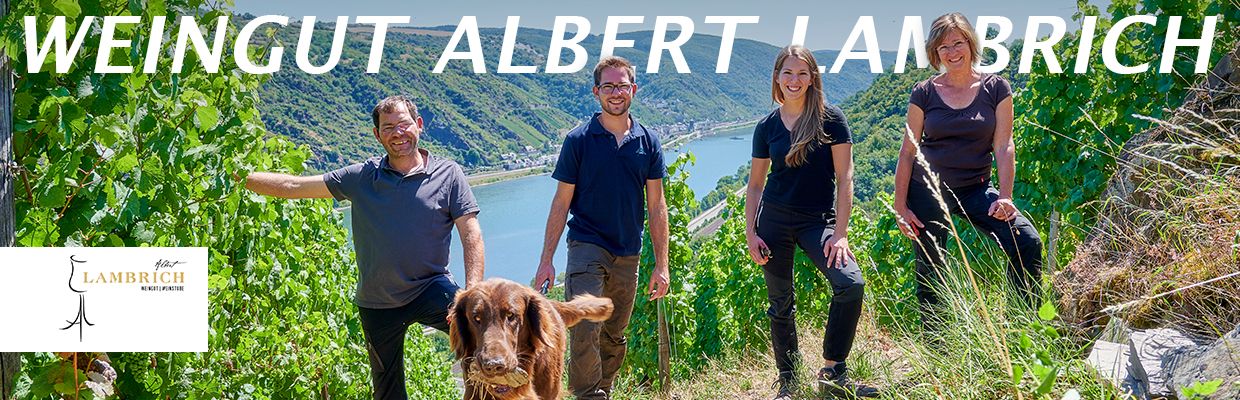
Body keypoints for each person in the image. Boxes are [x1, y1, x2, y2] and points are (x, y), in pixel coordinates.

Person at [243, 95, 485, 400]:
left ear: (419, 125)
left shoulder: (448, 174)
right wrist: (239, 176)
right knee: (387, 392)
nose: (397, 133)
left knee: (481, 340)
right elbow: (294, 187)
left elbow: (471, 233)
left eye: (404, 124)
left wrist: (471, 294)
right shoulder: (361, 177)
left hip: (430, 288)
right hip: (377, 302)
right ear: (377, 134)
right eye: (388, 128)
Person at [531, 56, 671, 400]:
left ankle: (603, 390)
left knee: (614, 333)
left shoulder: (648, 141)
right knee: (584, 326)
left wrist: (662, 264)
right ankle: (588, 395)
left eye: (622, 85)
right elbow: (561, 203)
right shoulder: (578, 140)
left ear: (633, 90)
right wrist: (546, 260)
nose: (616, 92)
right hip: (586, 245)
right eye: (608, 86)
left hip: (628, 251)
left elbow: (656, 206)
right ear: (597, 92)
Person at [744, 45, 876, 399]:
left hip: (819, 222)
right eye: (788, 72)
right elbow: (755, 185)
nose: (794, 80)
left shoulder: (831, 119)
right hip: (773, 222)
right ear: (777, 77)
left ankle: (833, 370)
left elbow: (845, 178)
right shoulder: (766, 127)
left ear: (812, 78)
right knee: (780, 303)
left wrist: (842, 234)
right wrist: (750, 231)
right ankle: (787, 382)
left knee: (850, 283)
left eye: (802, 73)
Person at [893, 12, 1044, 320]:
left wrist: (1005, 195)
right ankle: (938, 350)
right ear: (935, 52)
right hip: (927, 191)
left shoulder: (996, 88)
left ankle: (1023, 324)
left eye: (958, 43)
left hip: (977, 189)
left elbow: (1003, 146)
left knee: (1026, 241)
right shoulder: (924, 92)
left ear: (971, 44)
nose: (952, 52)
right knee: (931, 271)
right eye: (943, 47)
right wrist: (900, 206)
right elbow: (908, 151)